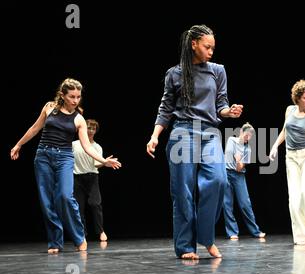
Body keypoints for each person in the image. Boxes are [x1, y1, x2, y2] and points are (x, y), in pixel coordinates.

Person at [146, 25, 243, 260]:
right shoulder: (175, 74)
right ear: (194, 44)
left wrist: (229, 112)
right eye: (207, 47)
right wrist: (155, 136)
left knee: (219, 180)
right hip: (183, 133)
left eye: (213, 47)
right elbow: (166, 109)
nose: (211, 51)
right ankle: (185, 247)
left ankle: (206, 237)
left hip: (209, 132)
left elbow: (221, 103)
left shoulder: (218, 71)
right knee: (183, 192)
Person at [10, 78, 121, 254]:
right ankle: (55, 242)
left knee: (65, 196)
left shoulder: (79, 119)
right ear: (63, 95)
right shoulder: (49, 108)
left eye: (78, 96)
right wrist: (18, 144)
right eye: (72, 96)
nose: (75, 100)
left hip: (64, 158)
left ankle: (79, 237)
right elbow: (34, 128)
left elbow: (86, 146)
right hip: (43, 156)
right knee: (47, 201)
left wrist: (103, 161)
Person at [269, 79, 305, 245]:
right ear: (297, 98)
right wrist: (274, 146)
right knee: (294, 199)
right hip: (291, 157)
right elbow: (284, 131)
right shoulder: (289, 110)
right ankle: (301, 238)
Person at [223, 122, 266, 240]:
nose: (248, 138)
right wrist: (236, 158)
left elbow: (239, 167)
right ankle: (232, 232)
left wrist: (238, 160)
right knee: (227, 204)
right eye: (246, 135)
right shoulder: (231, 140)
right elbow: (227, 155)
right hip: (226, 173)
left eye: (250, 136)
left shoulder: (248, 149)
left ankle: (255, 231)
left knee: (245, 204)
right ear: (241, 132)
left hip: (238, 176)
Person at [73, 119, 108, 242]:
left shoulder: (97, 147)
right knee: (79, 207)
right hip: (77, 178)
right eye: (89, 128)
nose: (91, 131)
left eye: (93, 129)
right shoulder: (74, 144)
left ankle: (100, 231)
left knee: (95, 203)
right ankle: (82, 234)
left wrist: (105, 162)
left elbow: (97, 164)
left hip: (92, 177)